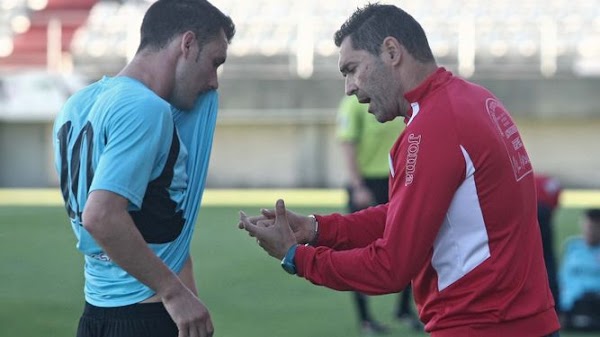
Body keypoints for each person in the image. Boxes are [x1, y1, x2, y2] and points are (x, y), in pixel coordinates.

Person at [238, 3, 560, 336]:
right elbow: (409, 215)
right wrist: (316, 229)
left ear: (391, 52)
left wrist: (296, 257)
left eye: (352, 68)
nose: (348, 87)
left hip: (482, 325)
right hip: (526, 321)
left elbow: (391, 267)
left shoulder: (434, 127)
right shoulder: (475, 99)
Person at [52, 1, 235, 337]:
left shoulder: (77, 105)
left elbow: (163, 222)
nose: (214, 82)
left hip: (95, 316)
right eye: (215, 63)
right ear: (187, 43)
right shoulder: (145, 108)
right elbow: (101, 217)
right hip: (146, 318)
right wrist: (176, 293)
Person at [336, 95, 418, 334]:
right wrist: (358, 185)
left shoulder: (397, 102)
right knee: (357, 252)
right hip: (367, 184)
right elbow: (347, 146)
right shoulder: (352, 105)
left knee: (409, 245)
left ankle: (404, 309)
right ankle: (365, 319)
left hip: (396, 182)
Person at [559, 208, 600, 331]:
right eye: (588, 227)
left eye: (594, 228)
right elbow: (562, 277)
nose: (590, 232)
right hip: (573, 300)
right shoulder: (572, 246)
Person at [535, 174, 562, 313]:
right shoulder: (551, 182)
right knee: (548, 260)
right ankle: (554, 305)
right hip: (542, 211)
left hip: (533, 210)